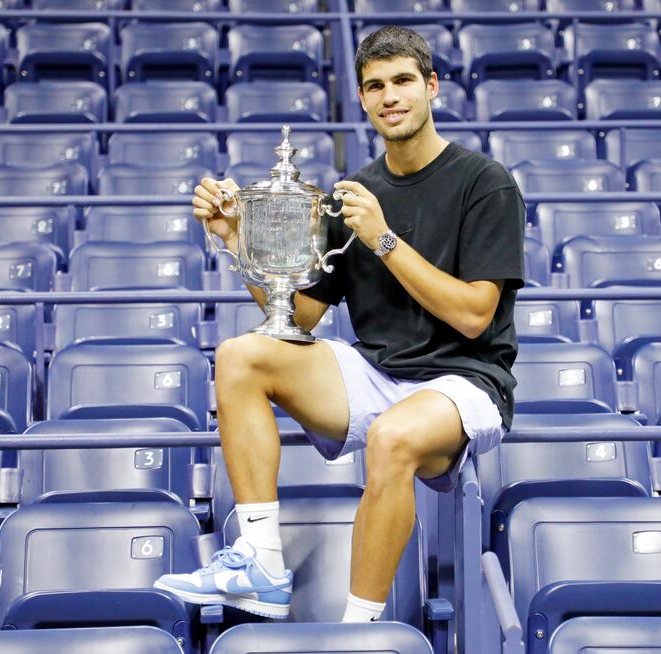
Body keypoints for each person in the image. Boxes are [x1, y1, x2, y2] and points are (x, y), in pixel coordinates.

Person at [154, 25, 525, 623]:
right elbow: (298, 317)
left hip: (464, 380)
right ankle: (261, 563)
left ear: (431, 87)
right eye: (375, 86)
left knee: (393, 438)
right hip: (376, 371)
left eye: (403, 81)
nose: (390, 96)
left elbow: (475, 315)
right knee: (242, 355)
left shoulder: (484, 182)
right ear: (361, 98)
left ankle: (360, 627)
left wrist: (381, 237)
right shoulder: (356, 192)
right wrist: (235, 239)